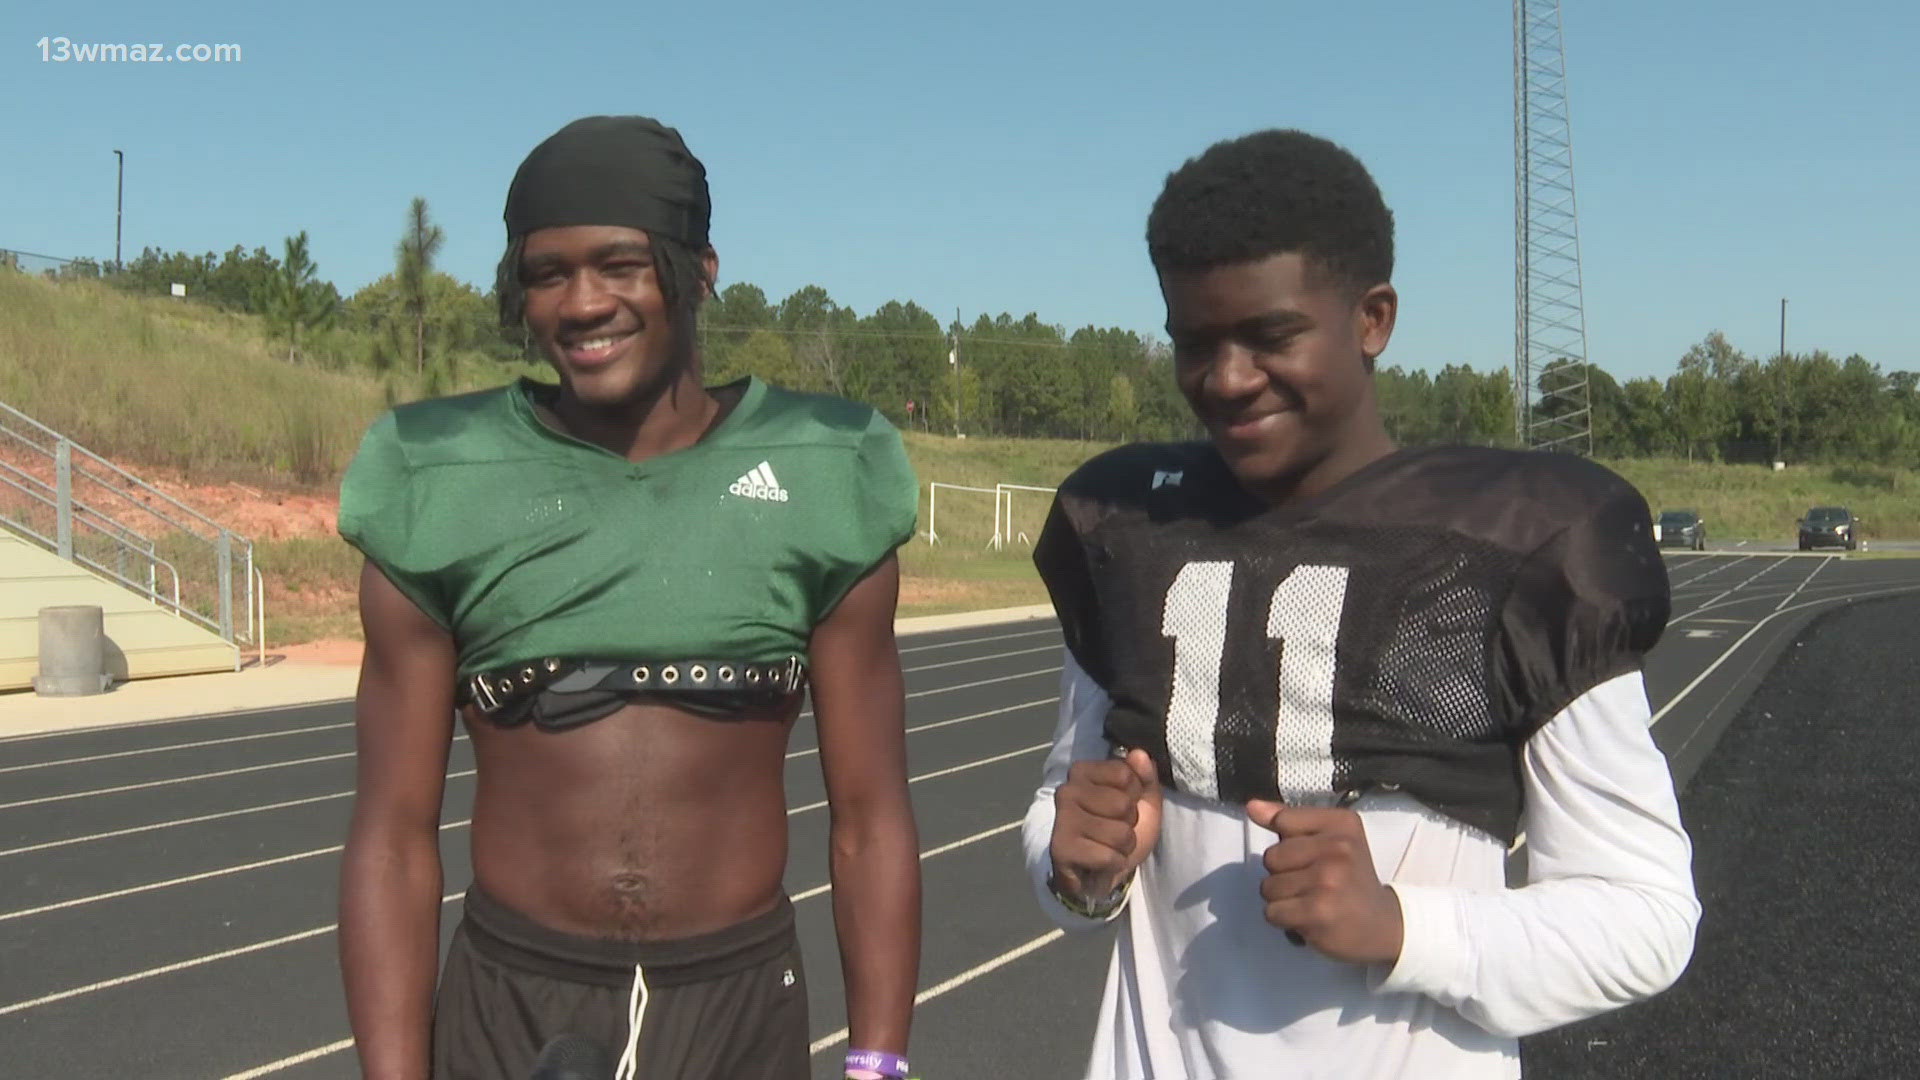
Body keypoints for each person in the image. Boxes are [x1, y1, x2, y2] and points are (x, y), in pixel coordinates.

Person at [1022, 129, 1699, 1079]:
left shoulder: (1514, 545)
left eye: (1270, 336)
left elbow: (1646, 917)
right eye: (1194, 341)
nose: (1225, 378)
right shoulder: (1127, 529)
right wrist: (1078, 869)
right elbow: (1064, 821)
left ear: (1372, 318)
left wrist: (1401, 927)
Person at [337, 115, 922, 1080]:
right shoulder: (435, 474)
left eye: (619, 264)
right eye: (546, 273)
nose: (582, 303)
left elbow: (870, 818)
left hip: (738, 1007)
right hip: (511, 1004)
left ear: (697, 271)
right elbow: (392, 839)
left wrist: (878, 1065)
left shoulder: (827, 468)